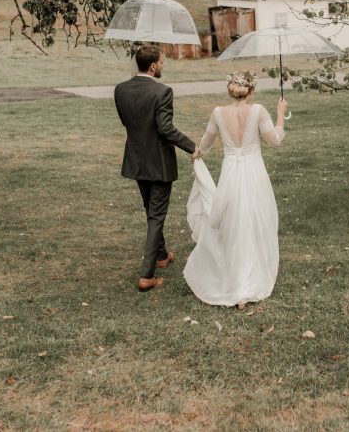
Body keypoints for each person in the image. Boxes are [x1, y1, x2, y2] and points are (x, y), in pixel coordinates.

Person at [183, 70, 288, 307]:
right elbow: (275, 140)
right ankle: (248, 280)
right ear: (251, 90)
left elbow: (206, 144)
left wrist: (198, 154)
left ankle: (236, 276)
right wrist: (281, 114)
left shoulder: (218, 113)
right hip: (253, 173)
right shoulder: (258, 110)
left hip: (231, 174)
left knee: (234, 224)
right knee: (255, 221)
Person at [114, 45, 199, 292]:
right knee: (156, 214)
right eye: (162, 62)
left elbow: (127, 122)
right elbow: (165, 128)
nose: (163, 66)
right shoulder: (162, 91)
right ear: (152, 66)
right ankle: (146, 275)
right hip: (159, 163)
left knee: (150, 210)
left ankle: (162, 255)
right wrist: (192, 146)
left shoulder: (120, 89)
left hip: (136, 159)